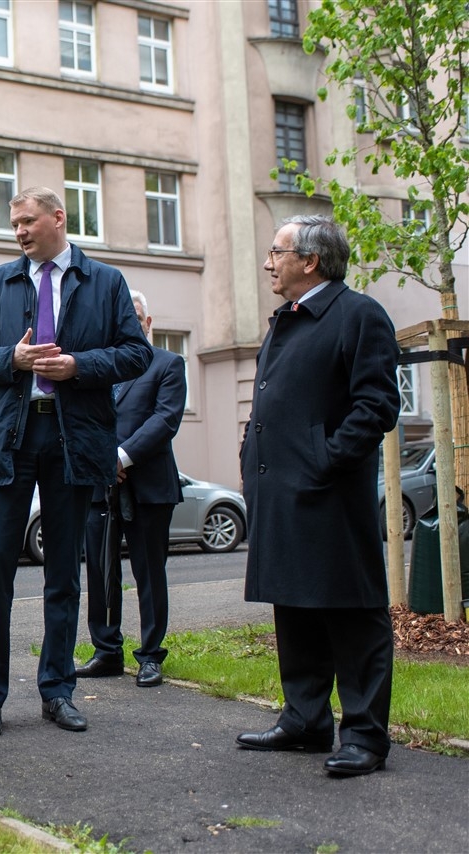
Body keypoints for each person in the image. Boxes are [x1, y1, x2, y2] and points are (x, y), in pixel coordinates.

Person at [0, 187, 152, 737]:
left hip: (73, 438)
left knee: (64, 572)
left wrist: (78, 366)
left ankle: (58, 691)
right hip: (10, 438)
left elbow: (136, 353)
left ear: (58, 218)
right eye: (13, 224)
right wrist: (11, 359)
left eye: (27, 222)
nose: (18, 232)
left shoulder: (105, 281)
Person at [236, 215, 399, 777]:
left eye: (276, 253)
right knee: (295, 602)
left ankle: (365, 736)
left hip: (328, 490)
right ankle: (305, 720)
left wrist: (323, 459)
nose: (267, 263)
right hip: (278, 487)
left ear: (309, 260)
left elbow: (375, 405)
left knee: (351, 611)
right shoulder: (287, 320)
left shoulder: (359, 315)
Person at [79, 289, 186, 688]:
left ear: (147, 322)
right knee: (100, 574)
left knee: (148, 573)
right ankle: (106, 652)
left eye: (134, 317)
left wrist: (120, 458)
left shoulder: (168, 364)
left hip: (149, 489)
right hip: (98, 489)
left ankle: (150, 655)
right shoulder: (99, 368)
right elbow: (83, 419)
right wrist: (101, 459)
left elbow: (165, 420)